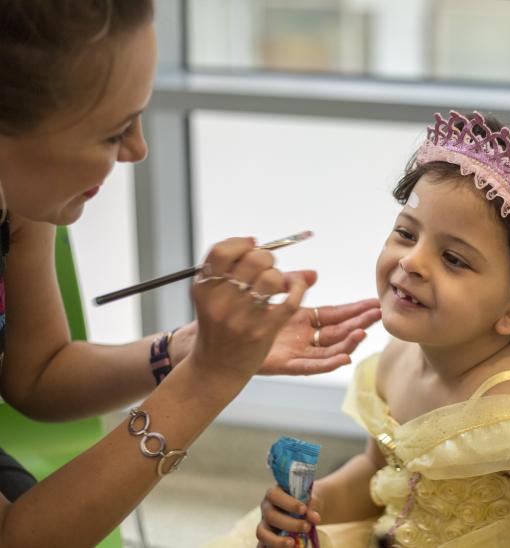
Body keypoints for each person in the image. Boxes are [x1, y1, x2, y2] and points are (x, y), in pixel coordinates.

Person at [0, 1, 380, 546]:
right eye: (113, 132)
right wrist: (209, 379)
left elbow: (36, 376)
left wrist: (190, 350)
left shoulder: (20, 199)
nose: (138, 150)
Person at [215, 110, 510, 548]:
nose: (411, 262)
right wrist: (313, 505)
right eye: (406, 233)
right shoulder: (399, 358)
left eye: (454, 259)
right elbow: (376, 475)